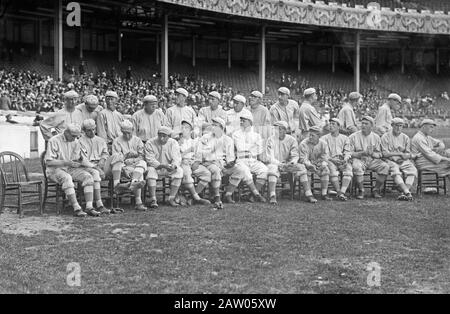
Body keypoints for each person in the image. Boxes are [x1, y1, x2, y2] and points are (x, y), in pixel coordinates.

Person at [44, 123, 103, 217]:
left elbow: (79, 158)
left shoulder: (75, 141)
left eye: (77, 136)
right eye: (73, 136)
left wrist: (92, 166)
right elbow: (49, 162)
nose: (75, 138)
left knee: (88, 176)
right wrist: (66, 162)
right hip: (54, 170)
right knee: (67, 178)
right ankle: (77, 208)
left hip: (69, 168)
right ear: (66, 132)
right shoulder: (54, 140)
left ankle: (89, 207)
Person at [195, 117, 246, 208]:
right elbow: (202, 154)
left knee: (240, 170)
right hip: (209, 163)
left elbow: (230, 157)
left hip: (223, 164)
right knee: (216, 170)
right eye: (213, 125)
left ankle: (228, 194)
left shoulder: (228, 140)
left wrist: (229, 163)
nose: (213, 128)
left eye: (216, 126)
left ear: (222, 128)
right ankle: (217, 196)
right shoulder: (205, 138)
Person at [110, 120, 147, 211]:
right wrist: (126, 157)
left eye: (129, 133)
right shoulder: (117, 141)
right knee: (139, 174)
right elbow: (116, 159)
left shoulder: (137, 140)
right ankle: (138, 202)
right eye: (124, 133)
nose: (127, 135)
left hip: (135, 164)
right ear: (121, 132)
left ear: (133, 130)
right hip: (123, 167)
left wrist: (134, 160)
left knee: (142, 164)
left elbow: (142, 156)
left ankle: (133, 182)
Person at [348, 116, 389, 199]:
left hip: (372, 159)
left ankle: (376, 189)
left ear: (371, 126)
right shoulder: (353, 136)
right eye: (362, 123)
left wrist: (373, 154)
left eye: (366, 124)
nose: (363, 125)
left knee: (385, 166)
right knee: (356, 166)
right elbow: (349, 153)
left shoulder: (376, 137)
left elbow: (380, 153)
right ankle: (361, 190)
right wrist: (362, 153)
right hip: (358, 159)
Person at [145, 126, 184, 208]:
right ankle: (153, 199)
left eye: (164, 136)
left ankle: (171, 198)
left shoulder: (173, 143)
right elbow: (150, 159)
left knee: (179, 171)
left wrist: (174, 165)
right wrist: (162, 165)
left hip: (168, 167)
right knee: (150, 171)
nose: (161, 138)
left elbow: (176, 157)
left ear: (169, 136)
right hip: (155, 167)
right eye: (160, 135)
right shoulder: (150, 143)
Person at [232, 111, 267, 202]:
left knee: (264, 170)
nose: (241, 122)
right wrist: (252, 148)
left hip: (253, 160)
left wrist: (250, 150)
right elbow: (240, 147)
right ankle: (257, 194)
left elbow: (260, 149)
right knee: (245, 172)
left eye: (244, 121)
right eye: (241, 121)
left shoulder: (256, 135)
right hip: (241, 160)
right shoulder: (236, 134)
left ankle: (251, 195)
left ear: (250, 122)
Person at [78, 119, 112, 214]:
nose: (92, 132)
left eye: (93, 129)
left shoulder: (100, 140)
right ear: (84, 130)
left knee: (115, 160)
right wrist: (97, 167)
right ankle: (97, 205)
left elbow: (105, 153)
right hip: (86, 165)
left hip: (100, 164)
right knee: (96, 174)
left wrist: (102, 160)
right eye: (89, 130)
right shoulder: (80, 141)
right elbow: (83, 160)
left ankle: (97, 205)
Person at [266, 121, 302, 205]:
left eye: (280, 129)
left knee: (299, 168)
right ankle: (272, 195)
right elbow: (269, 157)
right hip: (274, 163)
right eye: (276, 129)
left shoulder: (291, 140)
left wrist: (291, 163)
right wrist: (280, 164)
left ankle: (291, 192)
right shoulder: (271, 139)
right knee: (272, 168)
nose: (277, 131)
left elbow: (295, 155)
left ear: (285, 130)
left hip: (288, 163)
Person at [176, 120, 211, 206]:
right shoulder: (177, 142)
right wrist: (187, 151)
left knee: (207, 174)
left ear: (191, 131)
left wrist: (197, 162)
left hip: (193, 162)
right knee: (187, 174)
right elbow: (176, 157)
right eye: (182, 127)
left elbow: (199, 154)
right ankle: (196, 198)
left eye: (186, 128)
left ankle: (192, 197)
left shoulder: (195, 142)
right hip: (183, 163)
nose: (183, 129)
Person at [380, 118, 416, 201]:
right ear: (392, 125)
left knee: (412, 170)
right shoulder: (385, 136)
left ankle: (404, 193)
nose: (398, 128)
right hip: (390, 160)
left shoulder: (405, 137)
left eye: (401, 126)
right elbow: (385, 154)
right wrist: (399, 154)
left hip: (402, 160)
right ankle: (407, 192)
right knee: (396, 171)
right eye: (397, 125)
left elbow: (407, 153)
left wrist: (404, 157)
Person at [320, 118, 353, 201]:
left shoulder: (345, 138)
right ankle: (338, 192)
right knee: (332, 170)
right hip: (330, 160)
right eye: (330, 124)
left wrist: (345, 159)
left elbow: (347, 151)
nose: (330, 126)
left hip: (341, 160)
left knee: (348, 169)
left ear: (339, 127)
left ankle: (342, 192)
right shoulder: (324, 138)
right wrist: (332, 160)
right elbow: (324, 154)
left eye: (333, 124)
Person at [299, 125, 331, 201]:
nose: (310, 137)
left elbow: (325, 156)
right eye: (309, 135)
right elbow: (303, 159)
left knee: (325, 169)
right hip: (306, 163)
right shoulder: (303, 144)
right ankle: (308, 194)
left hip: (318, 163)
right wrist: (310, 165)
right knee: (306, 171)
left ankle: (324, 194)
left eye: (312, 135)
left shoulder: (323, 144)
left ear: (318, 136)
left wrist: (323, 164)